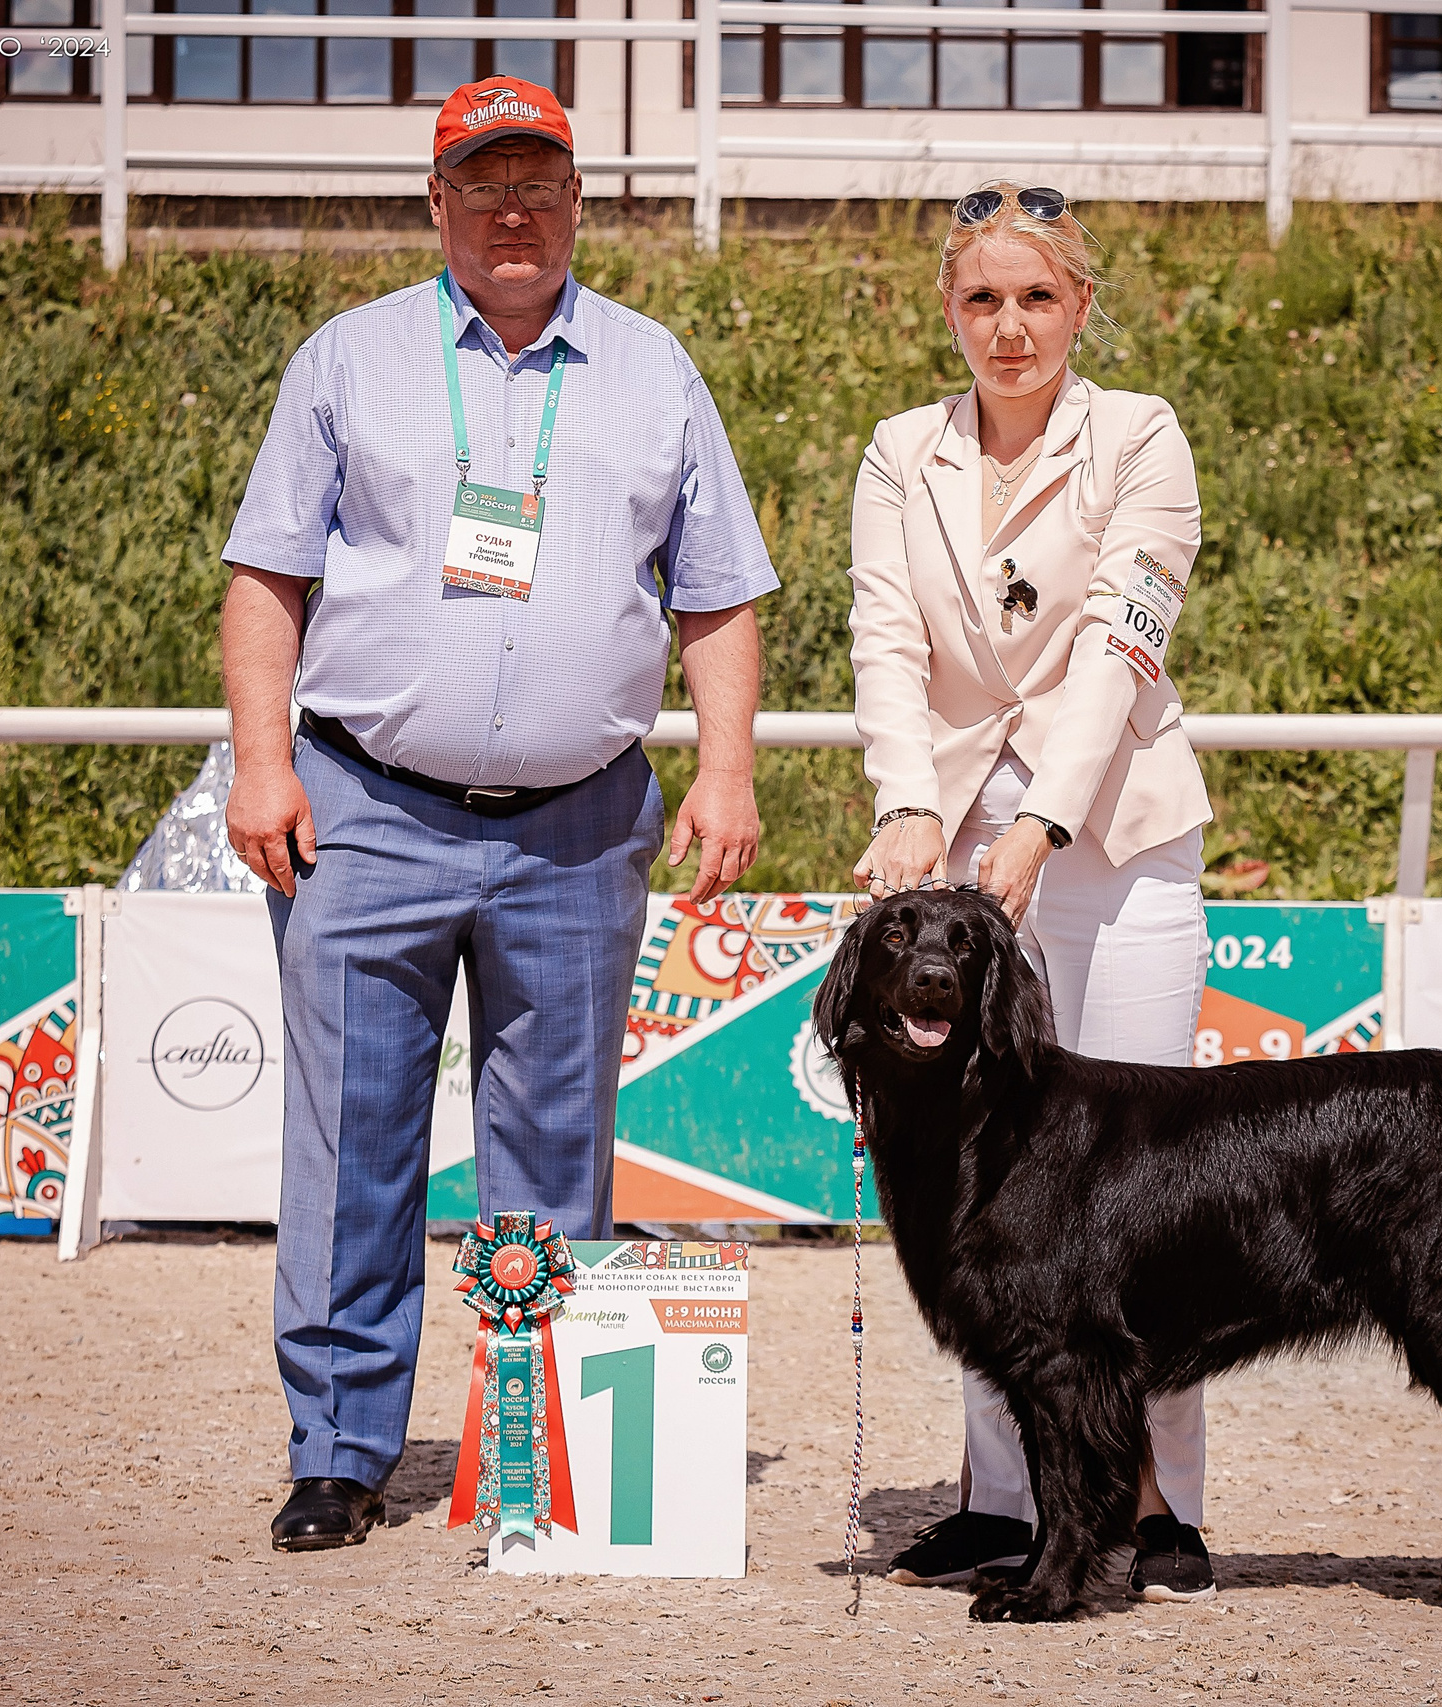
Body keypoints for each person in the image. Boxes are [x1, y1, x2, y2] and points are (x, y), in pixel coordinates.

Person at [219, 76, 777, 1553]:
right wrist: (260, 764)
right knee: (353, 1147)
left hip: (582, 826)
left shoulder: (657, 373)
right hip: (367, 809)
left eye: (539, 179)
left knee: (553, 1148)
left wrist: (724, 769)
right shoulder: (350, 360)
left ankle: (537, 1449)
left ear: (582, 202)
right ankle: (339, 1447)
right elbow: (268, 574)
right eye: (483, 182)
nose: (512, 207)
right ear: (438, 201)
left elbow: (716, 590)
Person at [846, 181, 1220, 1604]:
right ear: (949, 308)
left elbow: (1121, 648)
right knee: (964, 1182)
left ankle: (1159, 1503)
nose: (1009, 327)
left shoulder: (1143, 437)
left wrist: (1042, 824)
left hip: (1112, 829)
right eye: (981, 299)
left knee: (1137, 1189)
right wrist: (910, 806)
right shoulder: (899, 450)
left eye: (1038, 298)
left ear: (1080, 305)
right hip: (945, 841)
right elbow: (886, 638)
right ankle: (1004, 1504)